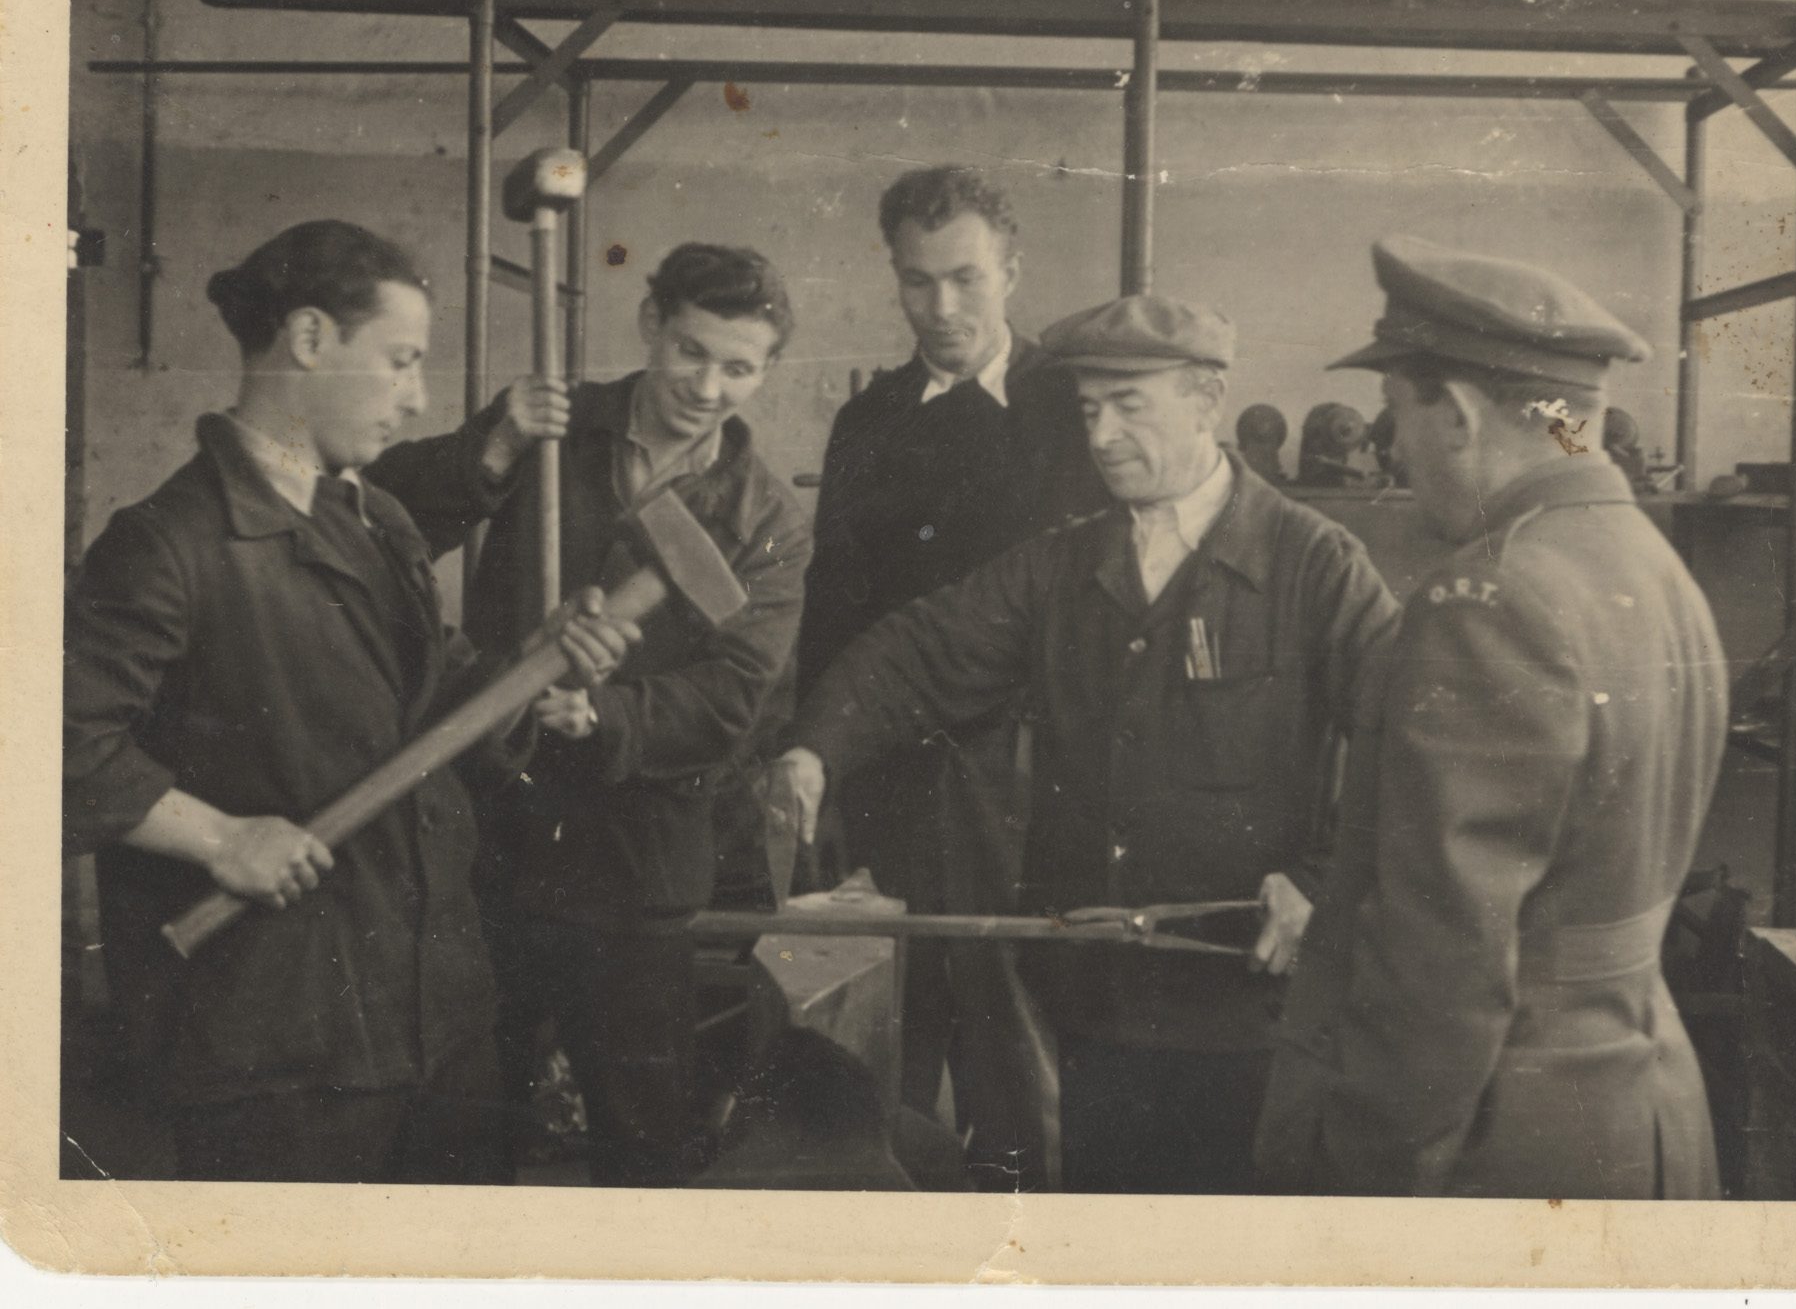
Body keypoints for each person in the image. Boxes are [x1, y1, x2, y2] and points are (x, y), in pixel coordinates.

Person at [766, 294, 1399, 1194]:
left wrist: (1323, 881)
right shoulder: (1064, 564)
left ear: (1208, 399)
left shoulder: (1314, 565)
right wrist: (815, 748)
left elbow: (1407, 738)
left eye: (1130, 405)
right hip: (1098, 1007)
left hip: (1248, 1009)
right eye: (1090, 410)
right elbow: (924, 649)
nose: (1102, 435)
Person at [62, 220, 640, 1184]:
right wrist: (219, 838)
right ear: (310, 339)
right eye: (401, 362)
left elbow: (440, 696)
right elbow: (48, 746)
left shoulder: (380, 520)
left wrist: (534, 666)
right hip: (276, 1040)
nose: (417, 400)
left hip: (436, 1014)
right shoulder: (168, 545)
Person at [1253, 235, 1729, 1199]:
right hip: (1646, 1112)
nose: (1393, 447)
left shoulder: (1487, 601)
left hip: (1500, 1148)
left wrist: (1360, 1181)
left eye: (1396, 412)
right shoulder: (1652, 566)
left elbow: (1441, 972)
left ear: (1460, 415)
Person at [368, 242, 813, 1188]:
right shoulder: (555, 429)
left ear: (767, 371)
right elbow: (377, 526)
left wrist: (603, 716)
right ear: (651, 324)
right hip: (493, 824)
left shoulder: (766, 515)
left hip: (636, 863)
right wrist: (487, 449)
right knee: (464, 1120)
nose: (708, 385)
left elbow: (737, 693)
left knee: (640, 1133)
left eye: (739, 368)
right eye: (692, 351)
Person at [794, 166, 1106, 1184]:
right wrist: (822, 765)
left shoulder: (1073, 411)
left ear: (1013, 272)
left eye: (966, 279)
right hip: (887, 780)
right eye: (917, 282)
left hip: (1029, 786)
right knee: (887, 1050)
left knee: (1018, 1058)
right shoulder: (870, 421)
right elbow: (834, 608)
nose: (942, 309)